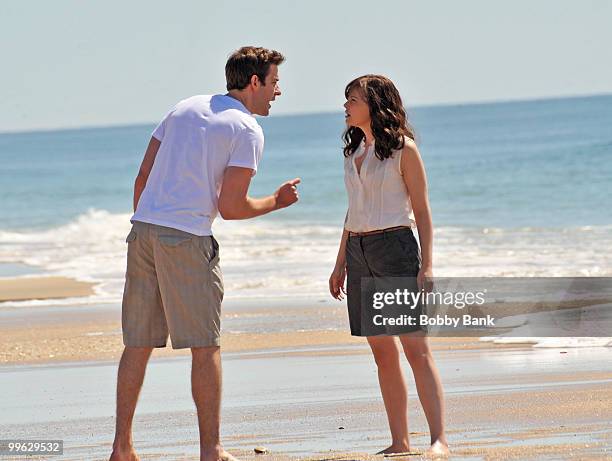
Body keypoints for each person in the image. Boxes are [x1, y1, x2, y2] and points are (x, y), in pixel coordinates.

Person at [109, 46, 301, 461]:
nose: (277, 92)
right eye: (274, 82)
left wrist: (151, 220)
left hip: (142, 231)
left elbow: (143, 175)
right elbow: (232, 208)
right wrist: (277, 201)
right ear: (254, 82)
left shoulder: (184, 107)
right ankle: (211, 450)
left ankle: (122, 447)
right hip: (186, 238)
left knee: (137, 345)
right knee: (206, 346)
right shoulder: (247, 129)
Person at [328, 75, 449, 457]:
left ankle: (438, 440)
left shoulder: (403, 149)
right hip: (359, 251)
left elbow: (424, 211)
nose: (346, 106)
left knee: (416, 349)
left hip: (395, 248)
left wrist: (427, 264)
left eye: (353, 100)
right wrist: (339, 263)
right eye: (347, 100)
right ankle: (400, 441)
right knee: (382, 353)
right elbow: (353, 212)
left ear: (374, 104)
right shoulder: (353, 152)